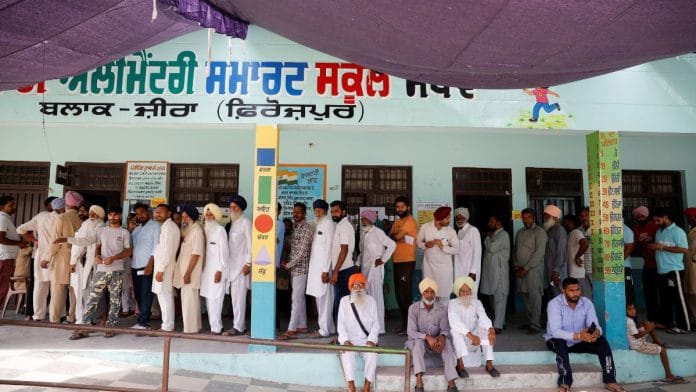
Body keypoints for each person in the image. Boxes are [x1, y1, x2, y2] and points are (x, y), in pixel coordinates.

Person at [544, 277, 625, 392]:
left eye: (577, 290)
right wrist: (578, 336)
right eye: (571, 291)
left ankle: (610, 380)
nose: (575, 293)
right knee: (560, 343)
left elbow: (595, 325)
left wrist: (595, 333)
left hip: (579, 340)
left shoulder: (586, 303)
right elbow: (555, 331)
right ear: (564, 291)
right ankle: (564, 383)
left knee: (602, 342)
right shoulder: (554, 304)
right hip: (556, 339)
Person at [70, 206, 132, 339]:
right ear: (107, 216)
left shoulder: (124, 232)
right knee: (93, 298)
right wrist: (97, 256)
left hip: (117, 270)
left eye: (115, 215)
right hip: (101, 270)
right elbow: (97, 246)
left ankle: (110, 327)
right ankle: (84, 327)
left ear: (120, 216)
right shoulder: (101, 230)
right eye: (110, 214)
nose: (113, 217)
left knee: (115, 300)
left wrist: (114, 258)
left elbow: (128, 251)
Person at [406, 278, 459, 392]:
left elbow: (445, 329)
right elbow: (411, 332)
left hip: (435, 345)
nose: (429, 295)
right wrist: (427, 337)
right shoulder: (413, 309)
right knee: (418, 342)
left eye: (432, 292)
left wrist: (442, 338)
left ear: (435, 293)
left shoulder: (442, 309)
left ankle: (451, 382)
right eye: (426, 291)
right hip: (419, 344)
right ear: (422, 293)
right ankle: (419, 380)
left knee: (447, 343)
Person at [59, 205, 105, 325]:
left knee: (91, 293)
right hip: (80, 264)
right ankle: (81, 319)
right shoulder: (85, 224)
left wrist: (67, 239)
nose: (92, 216)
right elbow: (77, 246)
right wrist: (73, 262)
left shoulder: (101, 226)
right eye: (91, 213)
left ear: (100, 216)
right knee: (80, 293)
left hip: (93, 264)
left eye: (95, 214)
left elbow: (88, 240)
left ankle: (90, 319)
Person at [448, 276, 500, 379]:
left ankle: (489, 364)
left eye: (468, 291)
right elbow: (454, 321)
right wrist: (470, 336)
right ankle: (460, 365)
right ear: (458, 292)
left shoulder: (477, 303)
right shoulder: (452, 304)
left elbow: (483, 317)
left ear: (471, 292)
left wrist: (490, 329)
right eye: (462, 291)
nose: (466, 294)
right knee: (455, 331)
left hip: (475, 341)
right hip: (462, 340)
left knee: (485, 329)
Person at [648, 208, 689, 334]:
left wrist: (661, 247)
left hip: (674, 270)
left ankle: (684, 326)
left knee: (678, 299)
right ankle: (666, 322)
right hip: (661, 270)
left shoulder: (678, 231)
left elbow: (684, 249)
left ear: (665, 217)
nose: (656, 223)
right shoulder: (659, 232)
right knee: (666, 299)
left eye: (657, 220)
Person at [16, 196, 58, 321]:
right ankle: (54, 316)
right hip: (55, 255)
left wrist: (35, 240)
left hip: (40, 255)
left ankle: (36, 314)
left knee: (39, 286)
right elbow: (21, 230)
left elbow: (20, 229)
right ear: (48, 206)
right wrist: (35, 240)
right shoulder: (58, 217)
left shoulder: (40, 217)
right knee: (55, 287)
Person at [337, 273, 380, 392]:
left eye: (361, 285)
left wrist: (371, 340)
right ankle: (351, 385)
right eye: (355, 286)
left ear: (365, 287)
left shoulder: (371, 301)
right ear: (351, 288)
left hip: (367, 341)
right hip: (350, 341)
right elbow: (340, 324)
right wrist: (345, 340)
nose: (358, 288)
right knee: (347, 353)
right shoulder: (344, 301)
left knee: (373, 354)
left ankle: (367, 386)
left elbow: (376, 324)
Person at [626, 302, 686, 384]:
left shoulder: (628, 319)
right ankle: (669, 375)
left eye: (634, 308)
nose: (633, 311)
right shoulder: (629, 322)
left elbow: (635, 332)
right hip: (638, 345)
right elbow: (637, 336)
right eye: (629, 309)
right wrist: (649, 329)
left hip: (636, 341)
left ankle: (655, 341)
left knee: (647, 324)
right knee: (663, 350)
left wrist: (648, 326)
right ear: (626, 310)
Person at [47, 191, 83, 323]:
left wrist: (47, 257)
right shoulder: (80, 219)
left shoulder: (61, 218)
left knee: (58, 291)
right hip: (76, 260)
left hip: (62, 259)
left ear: (66, 204)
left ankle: (54, 319)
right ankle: (71, 317)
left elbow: (55, 241)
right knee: (73, 290)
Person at [358, 209, 396, 334]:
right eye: (362, 219)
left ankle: (379, 328)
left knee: (376, 298)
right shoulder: (364, 233)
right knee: (366, 297)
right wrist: (357, 264)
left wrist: (383, 259)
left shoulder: (378, 232)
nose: (363, 221)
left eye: (365, 219)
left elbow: (392, 245)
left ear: (371, 221)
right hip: (365, 269)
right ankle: (368, 326)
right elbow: (362, 252)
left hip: (375, 269)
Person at [280, 202, 313, 339]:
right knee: (299, 298)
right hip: (294, 269)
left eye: (298, 212)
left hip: (301, 269)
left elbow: (302, 252)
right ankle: (302, 325)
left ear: (304, 214)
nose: (295, 214)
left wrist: (288, 264)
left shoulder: (306, 228)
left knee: (296, 299)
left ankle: (292, 329)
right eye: (294, 211)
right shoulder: (296, 228)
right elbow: (293, 248)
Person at [514, 208, 547, 334]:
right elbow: (515, 249)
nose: (526, 220)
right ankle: (530, 322)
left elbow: (539, 253)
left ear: (533, 218)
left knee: (534, 297)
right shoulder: (520, 232)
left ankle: (535, 325)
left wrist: (526, 268)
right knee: (525, 296)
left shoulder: (540, 232)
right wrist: (517, 267)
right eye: (524, 218)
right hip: (521, 270)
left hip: (533, 270)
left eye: (528, 217)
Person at [306, 199, 336, 338]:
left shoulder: (328, 224)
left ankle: (323, 330)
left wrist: (325, 270)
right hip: (316, 268)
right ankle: (328, 328)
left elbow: (330, 248)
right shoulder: (318, 224)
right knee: (320, 298)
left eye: (320, 210)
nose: (317, 212)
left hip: (324, 269)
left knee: (324, 299)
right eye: (315, 210)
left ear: (325, 211)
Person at [173, 205, 204, 333]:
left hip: (190, 273)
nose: (183, 219)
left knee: (188, 302)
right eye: (183, 216)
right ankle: (194, 327)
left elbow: (196, 254)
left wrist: (187, 273)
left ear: (192, 217)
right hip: (186, 272)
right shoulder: (189, 230)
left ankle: (190, 330)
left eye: (186, 216)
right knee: (190, 300)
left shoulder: (197, 231)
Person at [417, 206, 459, 302]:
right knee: (429, 297)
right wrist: (425, 244)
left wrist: (442, 247)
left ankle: (443, 317)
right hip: (429, 268)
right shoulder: (426, 227)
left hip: (445, 270)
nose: (449, 220)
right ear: (439, 219)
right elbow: (418, 242)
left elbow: (456, 250)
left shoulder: (451, 231)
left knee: (444, 299)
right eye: (447, 218)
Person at [224, 195, 252, 336]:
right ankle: (237, 324)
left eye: (234, 207)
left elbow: (251, 244)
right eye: (230, 207)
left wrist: (248, 263)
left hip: (242, 268)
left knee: (240, 298)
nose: (232, 209)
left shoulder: (246, 222)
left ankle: (239, 327)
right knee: (235, 299)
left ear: (240, 208)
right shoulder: (234, 223)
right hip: (232, 267)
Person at [390, 196, 418, 333]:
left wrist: (397, 236)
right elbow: (392, 236)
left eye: (402, 207)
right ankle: (404, 325)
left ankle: (409, 327)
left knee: (405, 295)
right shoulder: (397, 221)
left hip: (407, 261)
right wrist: (397, 236)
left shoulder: (410, 221)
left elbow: (396, 237)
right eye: (397, 207)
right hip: (396, 261)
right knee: (399, 295)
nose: (399, 209)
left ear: (408, 207)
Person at [130, 203, 160, 331]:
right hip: (135, 265)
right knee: (138, 294)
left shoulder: (155, 226)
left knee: (146, 294)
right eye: (137, 213)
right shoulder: (137, 229)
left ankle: (144, 323)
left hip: (147, 265)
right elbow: (131, 246)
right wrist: (130, 229)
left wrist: (150, 264)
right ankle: (141, 319)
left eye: (142, 212)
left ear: (148, 212)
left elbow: (156, 246)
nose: (140, 215)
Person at [200, 203, 229, 335]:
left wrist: (220, 270)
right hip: (206, 271)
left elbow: (225, 253)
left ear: (216, 216)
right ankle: (215, 326)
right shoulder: (203, 229)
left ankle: (216, 328)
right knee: (209, 299)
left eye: (211, 214)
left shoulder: (220, 230)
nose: (209, 217)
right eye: (207, 214)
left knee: (216, 300)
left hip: (217, 271)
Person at [151, 204, 180, 332]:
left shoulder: (169, 228)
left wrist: (161, 269)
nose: (157, 214)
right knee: (164, 296)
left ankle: (167, 326)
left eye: (161, 212)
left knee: (165, 296)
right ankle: (167, 324)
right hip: (163, 266)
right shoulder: (165, 227)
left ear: (168, 214)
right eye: (156, 212)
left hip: (165, 267)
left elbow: (167, 251)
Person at [479, 215, 510, 334]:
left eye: (491, 221)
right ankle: (500, 322)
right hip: (492, 273)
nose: (489, 223)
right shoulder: (495, 235)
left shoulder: (503, 235)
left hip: (500, 273)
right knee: (493, 298)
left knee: (499, 298)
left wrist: (486, 238)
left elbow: (492, 248)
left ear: (498, 223)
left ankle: (498, 325)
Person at [632, 206, 660, 324]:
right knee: (649, 293)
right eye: (638, 217)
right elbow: (636, 245)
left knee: (662, 293)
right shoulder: (636, 228)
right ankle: (652, 318)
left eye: (642, 216)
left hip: (659, 264)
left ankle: (662, 319)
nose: (640, 218)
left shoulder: (654, 226)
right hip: (647, 265)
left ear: (646, 216)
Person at [330, 200, 356, 324]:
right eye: (332, 212)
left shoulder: (345, 226)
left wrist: (335, 271)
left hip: (343, 270)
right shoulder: (339, 225)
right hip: (341, 269)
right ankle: (341, 334)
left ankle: (341, 335)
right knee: (341, 302)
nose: (333, 214)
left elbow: (344, 250)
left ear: (344, 212)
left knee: (342, 303)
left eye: (336, 211)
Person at [0, 196, 28, 307]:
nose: (13, 207)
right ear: (2, 207)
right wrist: (18, 243)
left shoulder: (5, 218)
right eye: (10, 205)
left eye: (14, 205)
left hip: (6, 257)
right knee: (2, 287)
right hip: (4, 257)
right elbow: (1, 239)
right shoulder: (2, 218)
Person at [561, 214, 592, 302]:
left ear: (569, 222)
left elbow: (585, 243)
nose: (563, 225)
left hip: (579, 274)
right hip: (574, 274)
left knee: (585, 299)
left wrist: (577, 257)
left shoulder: (576, 232)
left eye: (564, 222)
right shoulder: (571, 234)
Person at [453, 207, 481, 290]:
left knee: (470, 295)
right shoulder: (459, 232)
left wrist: (473, 271)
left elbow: (477, 252)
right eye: (457, 218)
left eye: (462, 218)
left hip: (469, 271)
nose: (459, 220)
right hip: (459, 270)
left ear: (466, 218)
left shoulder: (472, 230)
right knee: (460, 295)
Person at [543, 205, 567, 298]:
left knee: (560, 296)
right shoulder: (549, 230)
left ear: (555, 217)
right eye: (544, 216)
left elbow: (561, 253)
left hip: (557, 272)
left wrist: (556, 271)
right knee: (553, 297)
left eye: (547, 216)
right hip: (549, 271)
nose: (545, 219)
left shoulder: (560, 230)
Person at [578, 207, 593, 294]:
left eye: (586, 215)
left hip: (595, 268)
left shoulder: (598, 230)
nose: (584, 218)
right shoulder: (577, 231)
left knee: (597, 293)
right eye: (582, 216)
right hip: (582, 268)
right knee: (586, 294)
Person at [685, 208, 696, 325]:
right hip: (689, 267)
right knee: (690, 294)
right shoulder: (689, 231)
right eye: (689, 217)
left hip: (694, 266)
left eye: (693, 217)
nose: (691, 219)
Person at [622, 224, 635, 303]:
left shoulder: (626, 230)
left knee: (628, 293)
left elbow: (629, 247)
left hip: (624, 266)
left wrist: (618, 262)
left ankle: (630, 315)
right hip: (609, 269)